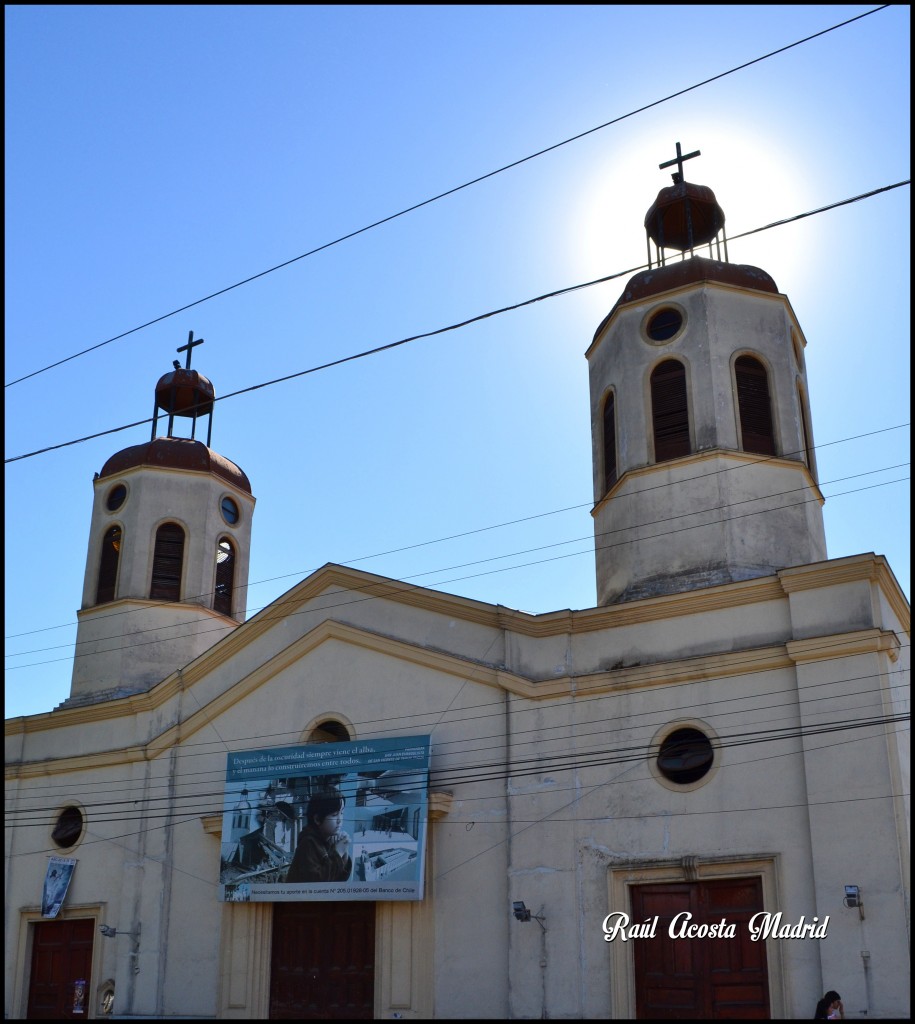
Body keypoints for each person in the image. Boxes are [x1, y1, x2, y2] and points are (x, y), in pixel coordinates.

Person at [286, 791, 352, 883]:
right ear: (317, 819)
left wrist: (344, 854)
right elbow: (317, 882)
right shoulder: (308, 843)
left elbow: (339, 878)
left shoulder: (329, 840)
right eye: (334, 815)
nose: (339, 820)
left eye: (342, 813)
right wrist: (338, 853)